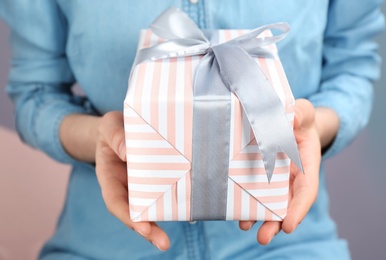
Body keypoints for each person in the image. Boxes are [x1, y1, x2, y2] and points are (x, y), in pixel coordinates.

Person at [0, 1, 384, 259]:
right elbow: (36, 92)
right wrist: (100, 137)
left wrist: (313, 128)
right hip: (102, 244)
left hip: (287, 241)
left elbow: (352, 67)